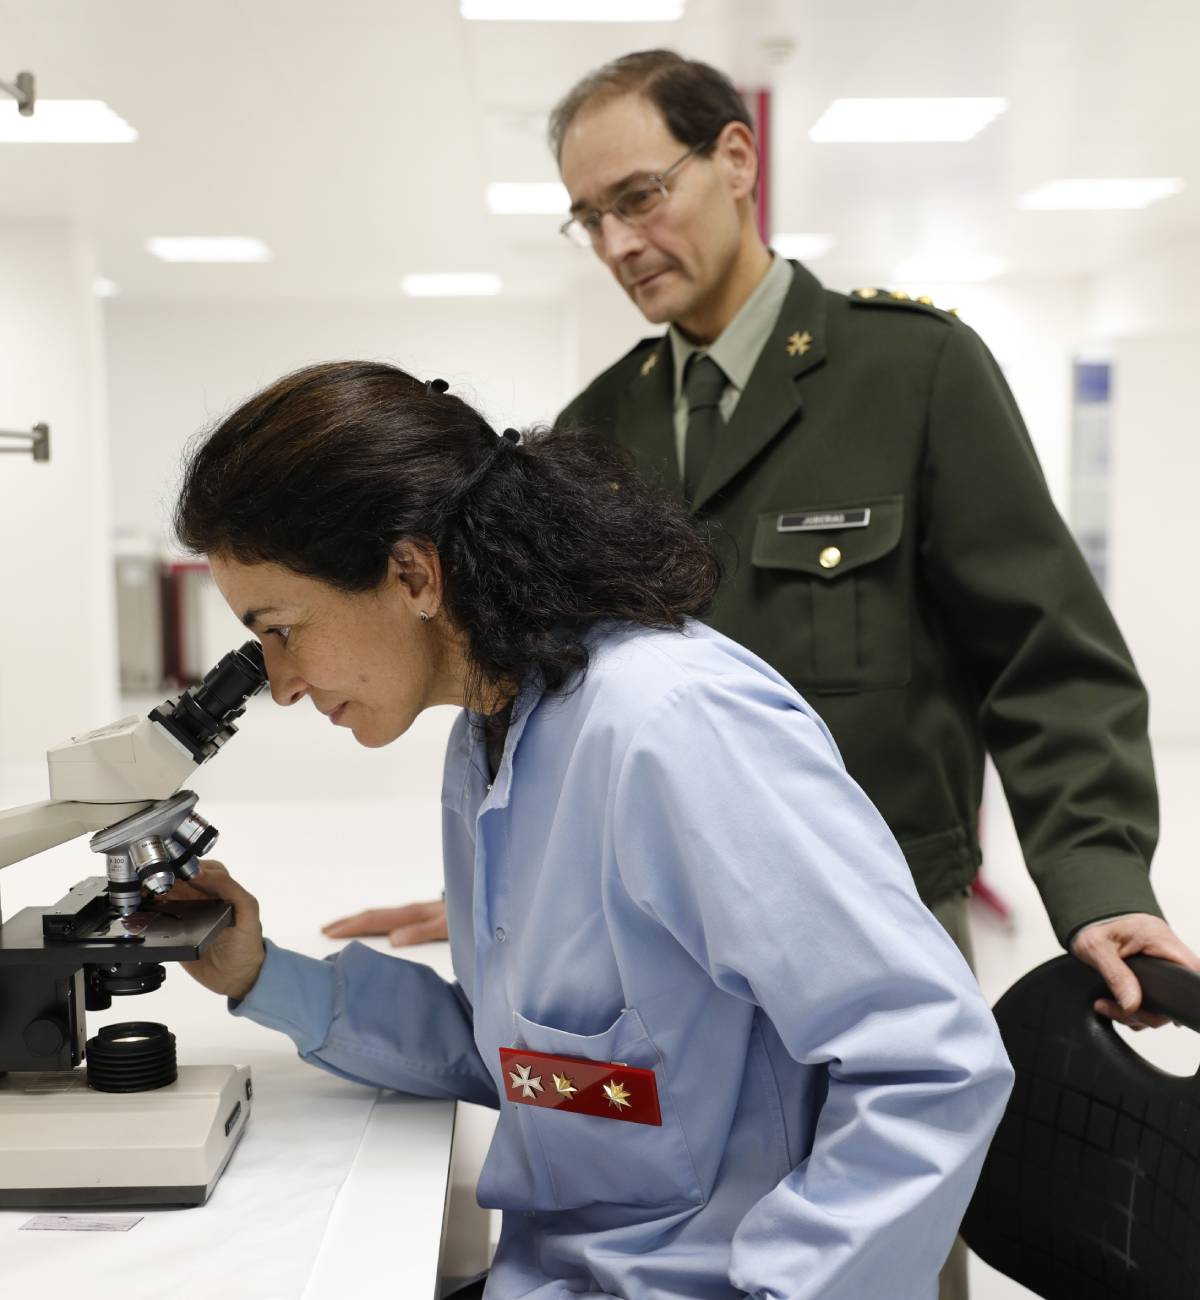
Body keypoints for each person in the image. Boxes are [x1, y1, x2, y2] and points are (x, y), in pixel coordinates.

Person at [326, 50, 1198, 1028]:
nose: (618, 241)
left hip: (880, 924)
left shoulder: (912, 374)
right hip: (661, 948)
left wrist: (1102, 880)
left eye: (640, 195)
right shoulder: (591, 430)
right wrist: (517, 893)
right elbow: (554, 699)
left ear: (737, 158)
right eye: (591, 218)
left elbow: (1046, 656)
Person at [170, 360, 1012, 1300]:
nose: (279, 684)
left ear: (413, 572)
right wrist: (257, 974)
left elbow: (931, 1063)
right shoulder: (492, 735)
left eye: (281, 629)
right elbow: (533, 1059)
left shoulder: (671, 726)